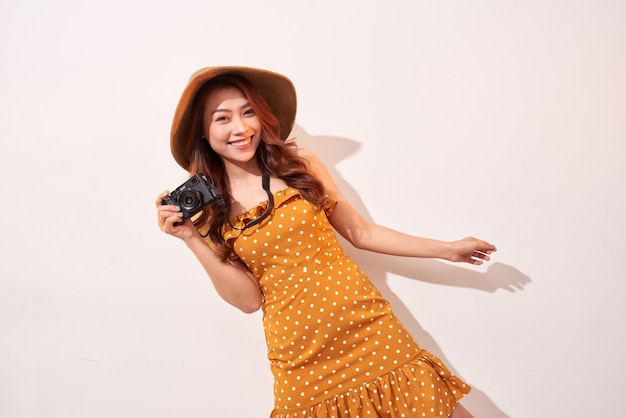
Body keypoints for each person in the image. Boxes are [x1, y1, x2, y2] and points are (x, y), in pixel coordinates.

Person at [156, 66, 496, 418]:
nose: (241, 128)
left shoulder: (298, 165)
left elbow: (360, 232)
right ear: (203, 132)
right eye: (222, 118)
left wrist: (447, 250)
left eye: (248, 112)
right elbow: (248, 301)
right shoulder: (210, 212)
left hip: (368, 332)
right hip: (301, 361)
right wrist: (191, 240)